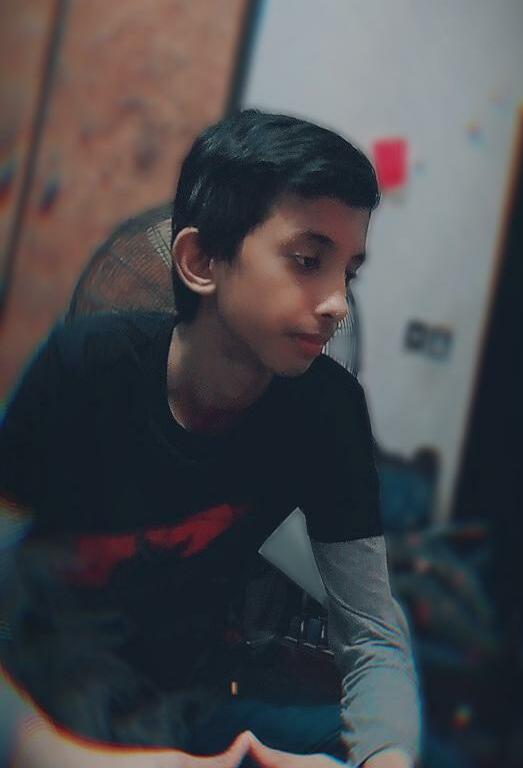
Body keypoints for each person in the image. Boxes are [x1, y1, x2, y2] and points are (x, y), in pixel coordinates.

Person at [0, 110, 420, 767]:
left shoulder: (329, 412)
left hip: (186, 710)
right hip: (37, 695)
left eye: (349, 272)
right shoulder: (86, 366)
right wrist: (52, 753)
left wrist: (381, 764)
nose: (338, 303)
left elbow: (372, 635)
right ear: (199, 261)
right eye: (309, 260)